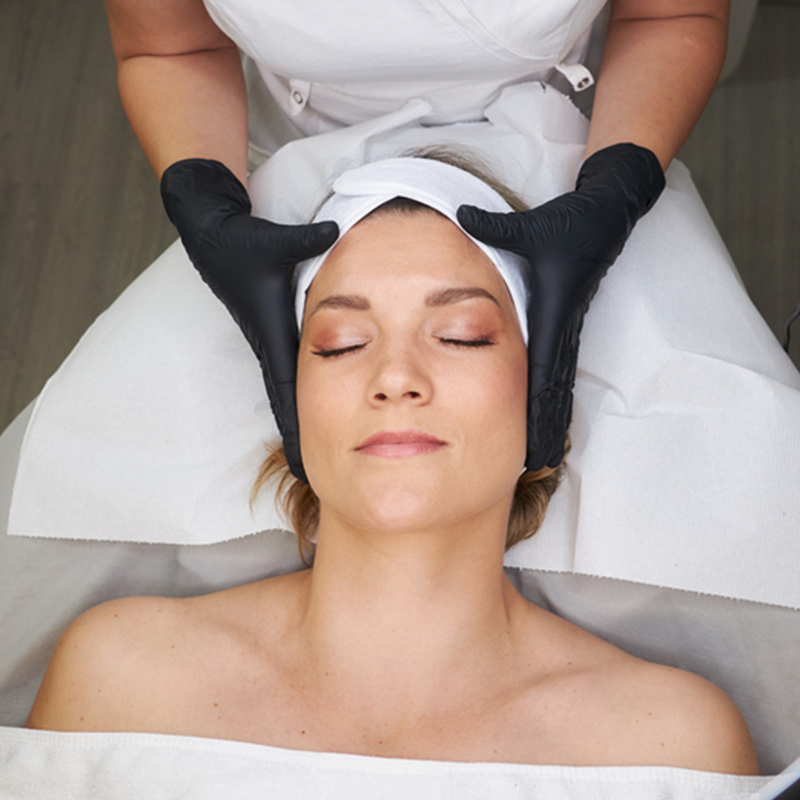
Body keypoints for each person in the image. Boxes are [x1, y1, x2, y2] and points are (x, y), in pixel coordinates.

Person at [25, 154, 759, 776]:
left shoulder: (670, 744)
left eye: (462, 335)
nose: (395, 376)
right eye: (341, 342)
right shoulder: (118, 677)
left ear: (543, 396)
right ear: (292, 401)